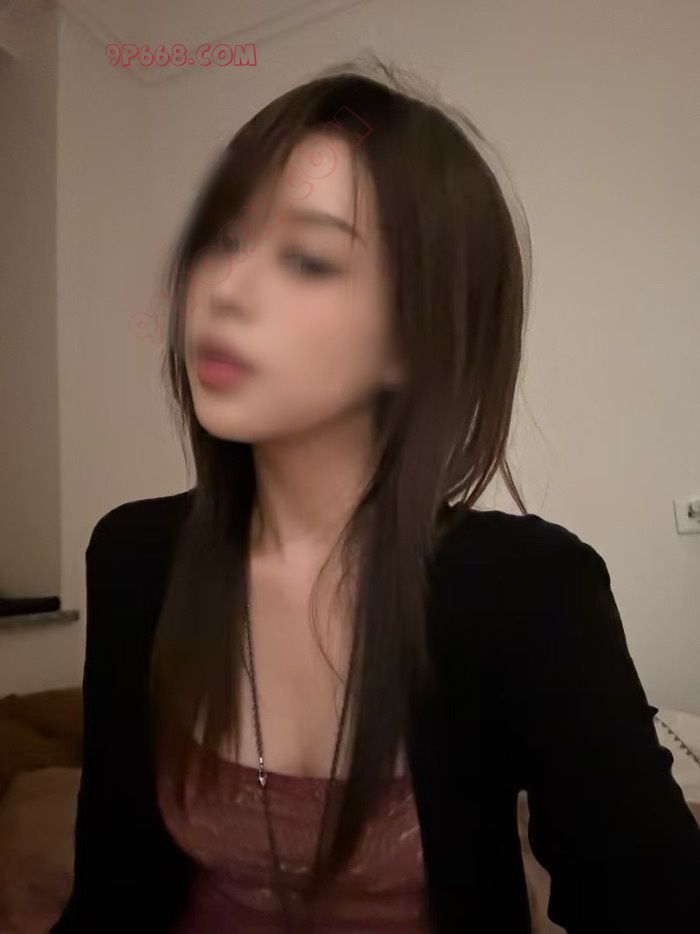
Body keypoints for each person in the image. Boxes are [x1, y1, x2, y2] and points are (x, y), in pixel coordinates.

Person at [51, 56, 700, 933]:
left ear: (415, 335)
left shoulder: (530, 593)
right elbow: (109, 894)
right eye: (224, 241)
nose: (225, 290)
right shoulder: (134, 556)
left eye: (308, 258)